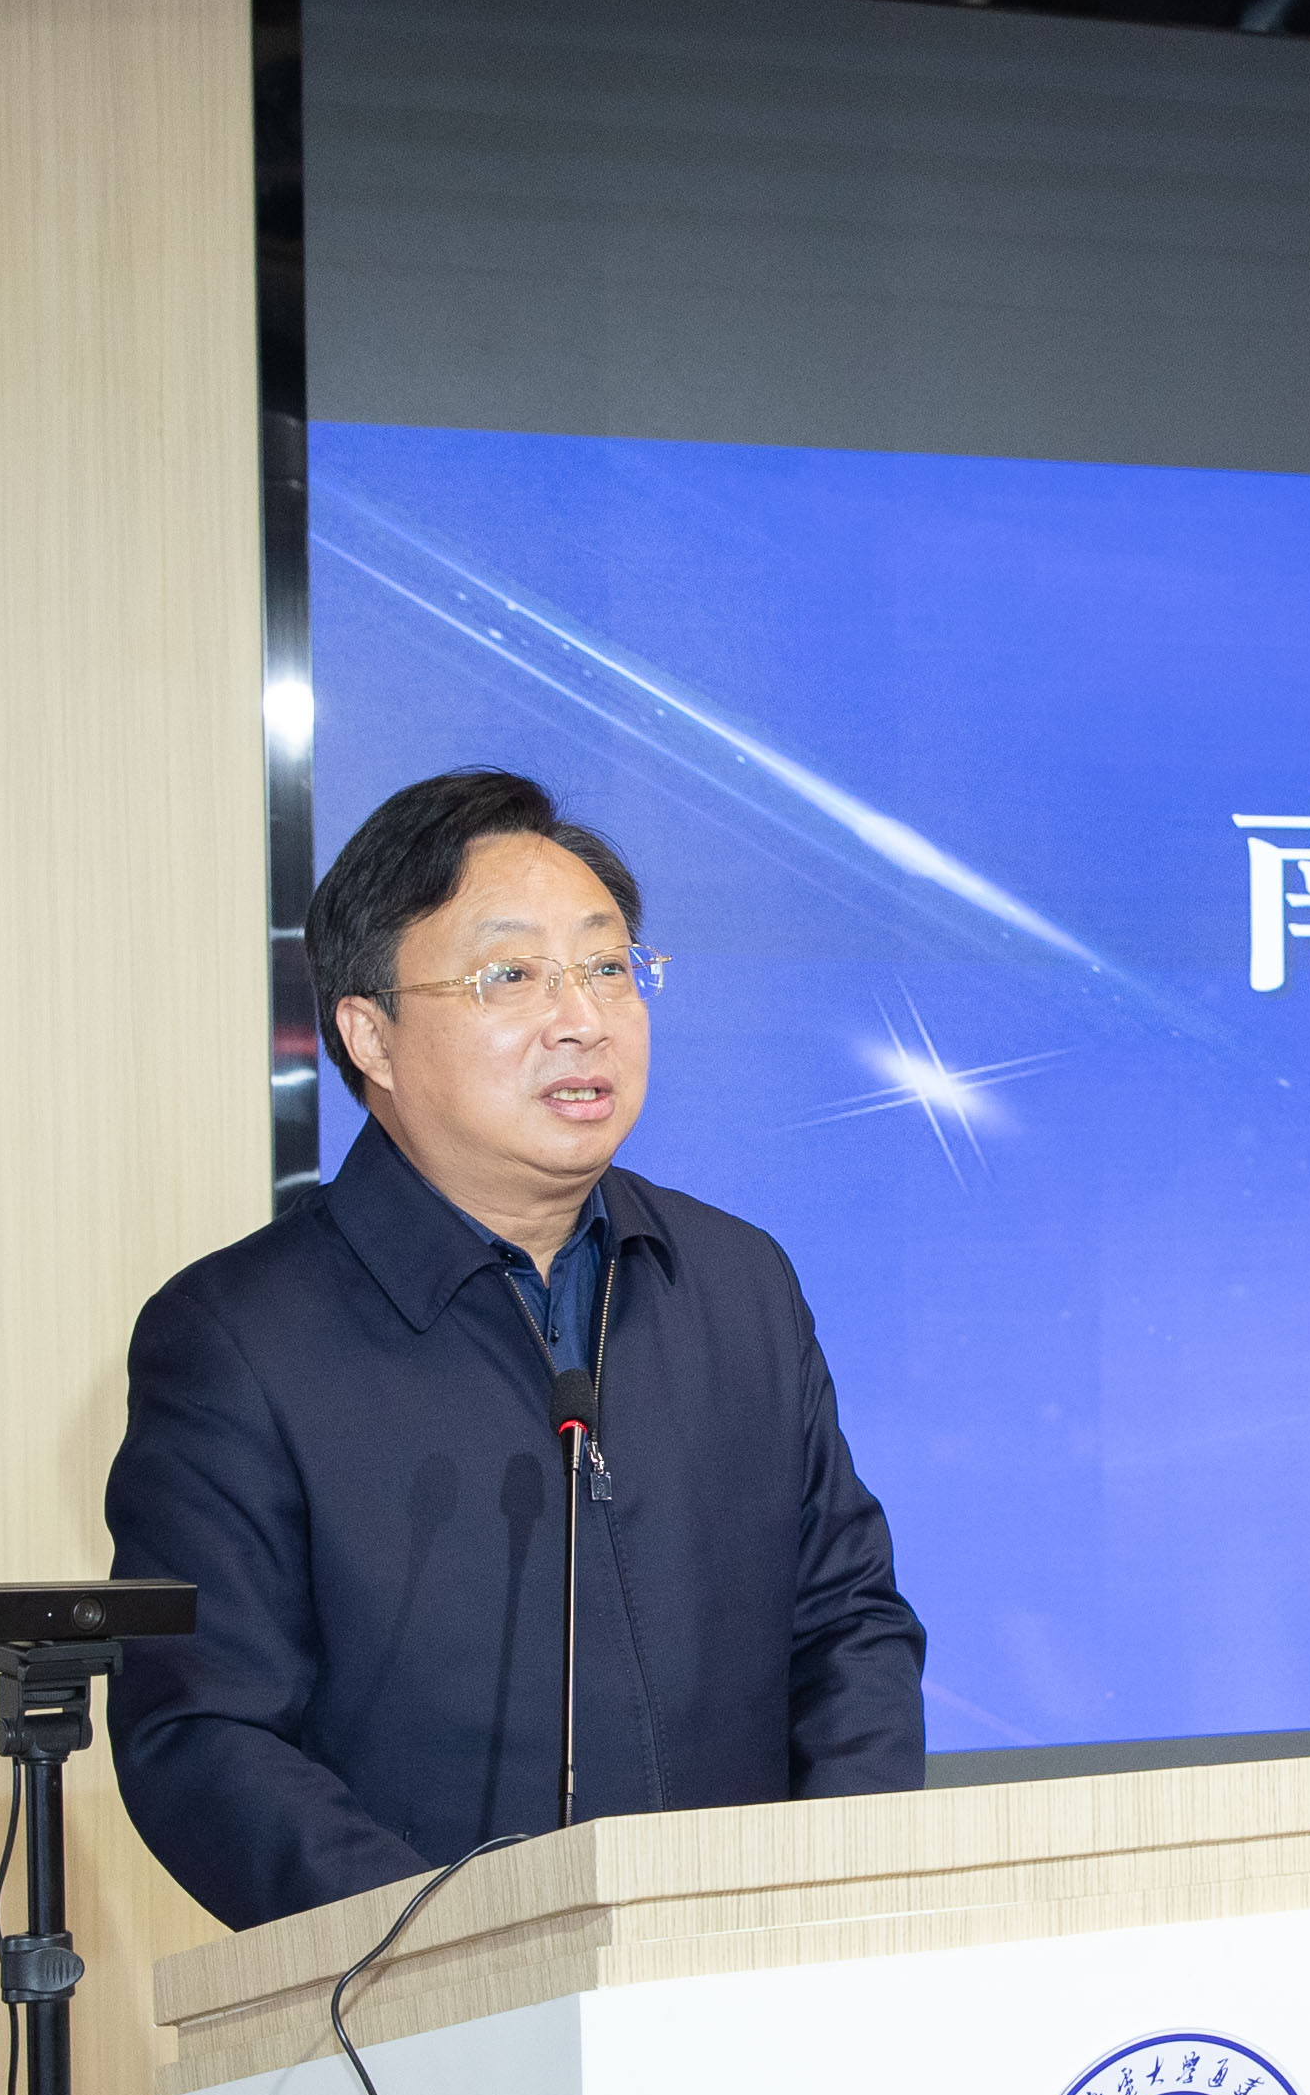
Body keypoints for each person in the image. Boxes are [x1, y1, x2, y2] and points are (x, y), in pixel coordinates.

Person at [107, 768, 925, 1929]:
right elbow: (206, 1730)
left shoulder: (737, 1285)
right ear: (370, 1033)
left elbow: (849, 1626)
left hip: (747, 1985)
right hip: (422, 2013)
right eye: (512, 975)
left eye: (608, 967)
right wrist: (456, 1952)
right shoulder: (239, 1337)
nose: (582, 1016)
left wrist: (823, 1902)